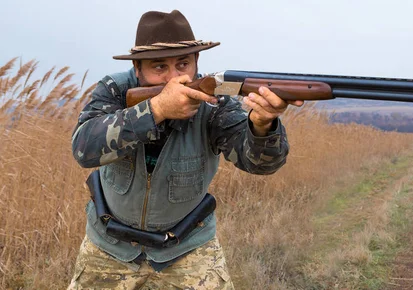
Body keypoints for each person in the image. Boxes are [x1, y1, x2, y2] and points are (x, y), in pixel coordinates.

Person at [68, 10, 302, 289]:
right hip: (109, 245)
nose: (174, 78)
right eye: (159, 68)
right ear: (137, 69)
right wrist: (155, 110)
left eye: (183, 64)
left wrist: (263, 125)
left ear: (196, 62)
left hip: (188, 246)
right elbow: (84, 148)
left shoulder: (215, 102)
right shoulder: (115, 89)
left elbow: (261, 164)